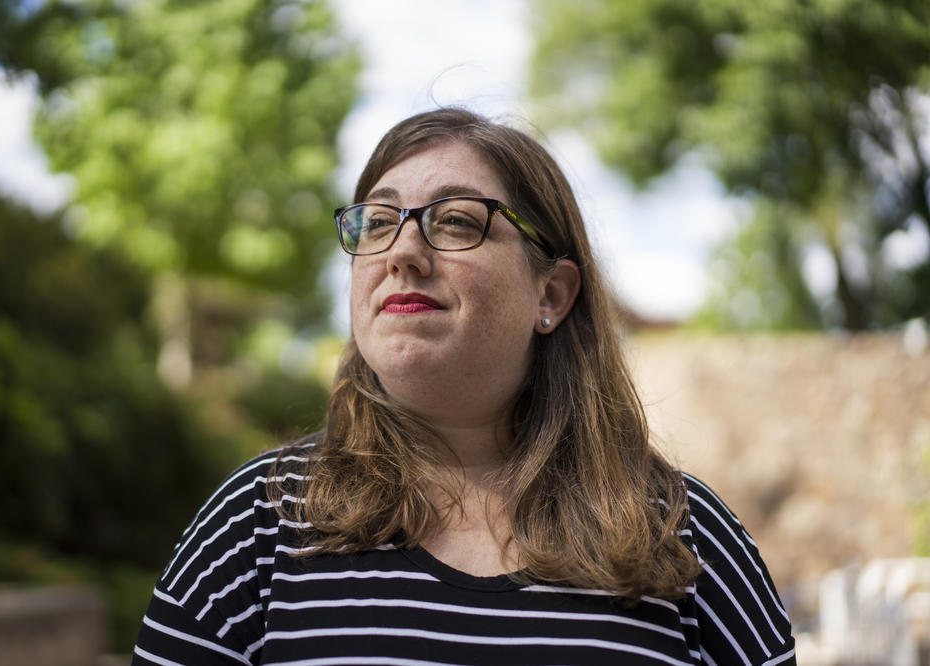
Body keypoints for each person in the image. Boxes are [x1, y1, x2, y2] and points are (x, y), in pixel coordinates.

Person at [132, 108, 796, 665]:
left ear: (553, 294)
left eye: (455, 221)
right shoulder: (258, 524)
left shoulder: (684, 537)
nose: (401, 252)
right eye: (377, 221)